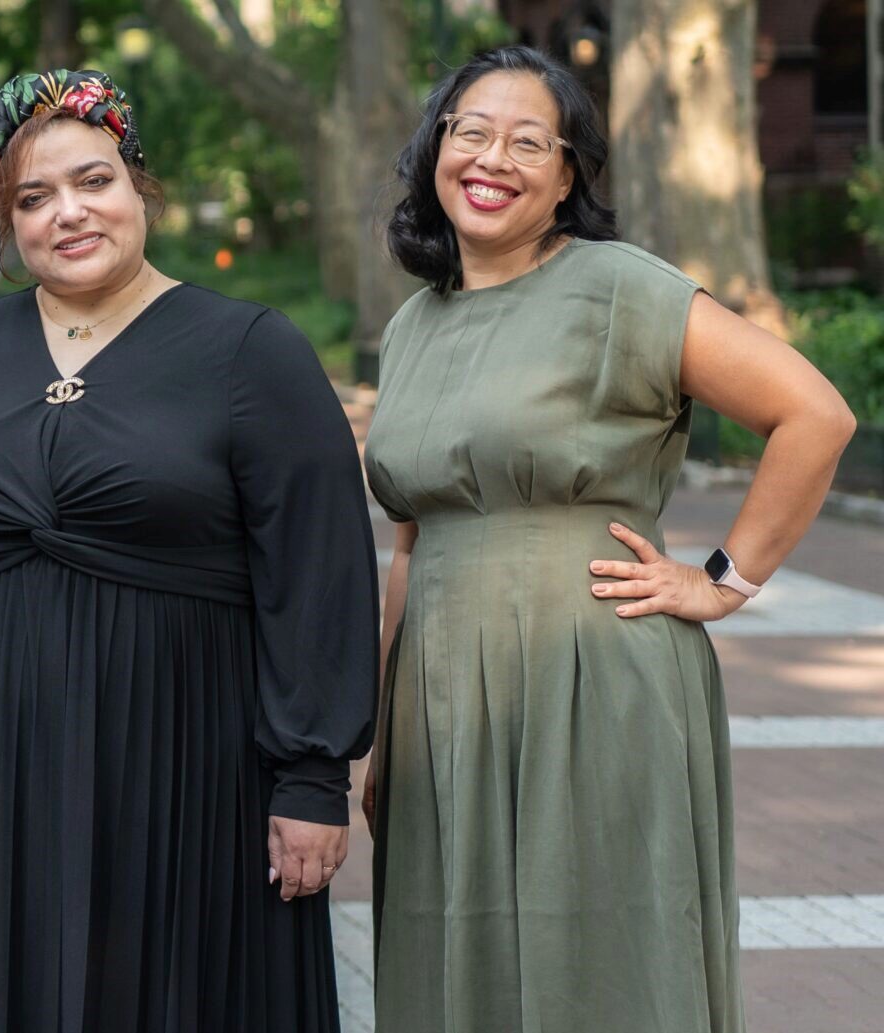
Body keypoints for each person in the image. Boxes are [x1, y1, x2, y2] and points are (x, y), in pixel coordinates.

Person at [0, 70, 375, 1032]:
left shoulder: (250, 350)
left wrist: (312, 776)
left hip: (187, 763)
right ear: (4, 222)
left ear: (140, 185)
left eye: (93, 181)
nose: (69, 214)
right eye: (33, 197)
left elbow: (318, 573)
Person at [363, 46, 855, 1033]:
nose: (492, 157)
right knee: (452, 958)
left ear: (565, 177)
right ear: (433, 152)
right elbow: (411, 543)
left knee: (601, 957)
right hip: (442, 697)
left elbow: (815, 413)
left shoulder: (620, 287)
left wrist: (722, 581)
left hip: (594, 675)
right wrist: (382, 733)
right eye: (470, 132)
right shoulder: (413, 323)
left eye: (527, 141)